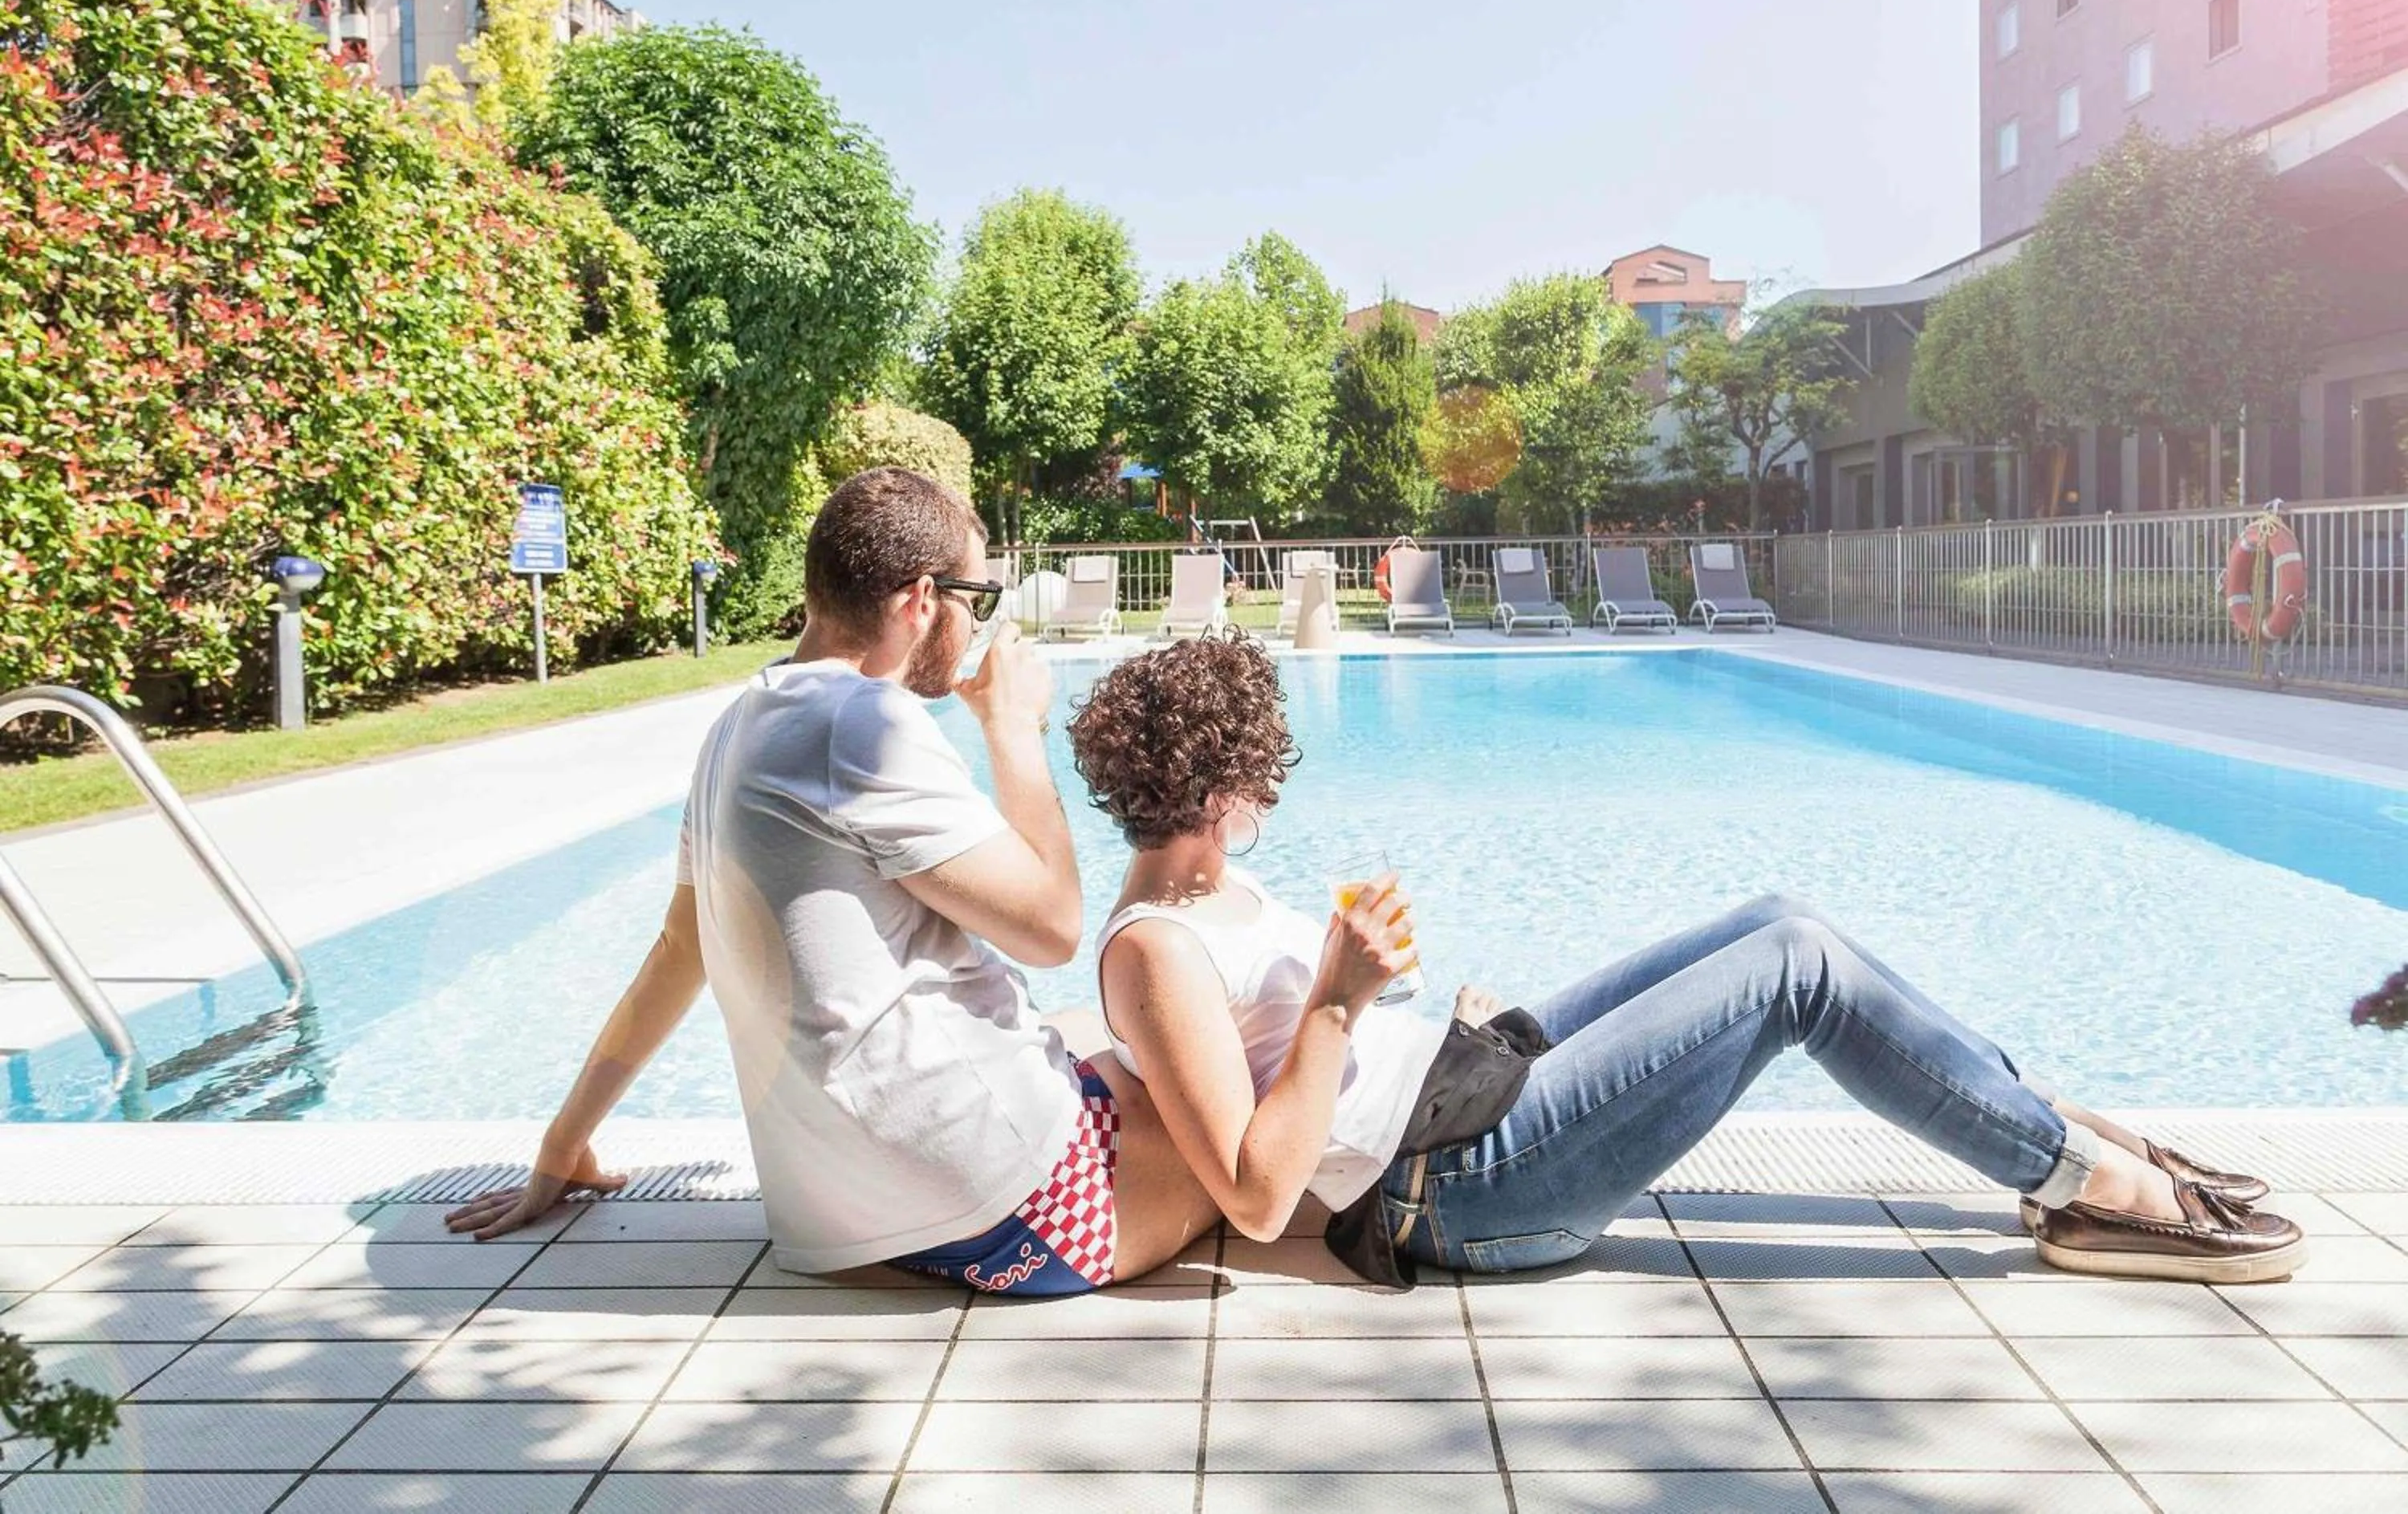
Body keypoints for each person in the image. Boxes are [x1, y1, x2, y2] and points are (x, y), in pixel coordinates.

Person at [1064, 633, 2306, 1287]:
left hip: (1462, 1084)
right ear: (1225, 790)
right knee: (1796, 967)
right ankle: (2092, 1180)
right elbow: (1257, 1195)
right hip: (1456, 1186)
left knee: (1773, 912)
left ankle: (2042, 1128)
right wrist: (1343, 996)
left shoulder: (1211, 884)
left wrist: (1420, 1021)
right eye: (1261, 781)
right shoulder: (1154, 950)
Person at [448, 467, 1217, 1292]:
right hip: (999, 1203)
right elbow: (1053, 928)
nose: (976, 624)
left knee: (1116, 1031)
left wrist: (565, 1141)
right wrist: (1011, 729)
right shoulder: (864, 723)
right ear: (921, 600)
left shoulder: (737, 726)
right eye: (975, 600)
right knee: (1232, 1098)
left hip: (845, 1213)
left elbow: (680, 948)